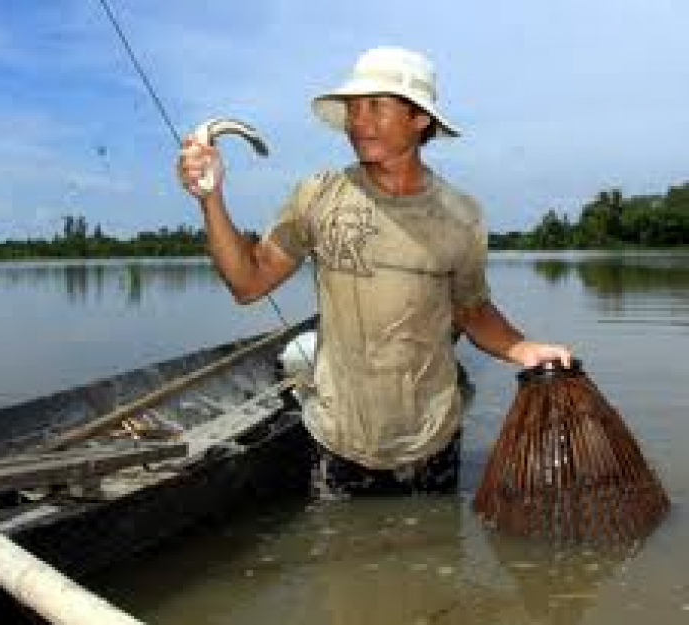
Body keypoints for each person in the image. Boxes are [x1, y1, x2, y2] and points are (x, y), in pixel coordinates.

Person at [176, 46, 572, 497]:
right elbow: (247, 283)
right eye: (352, 108)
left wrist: (522, 348)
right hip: (340, 442)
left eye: (376, 106)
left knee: (434, 558)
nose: (358, 120)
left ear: (419, 118)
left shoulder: (461, 216)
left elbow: (472, 310)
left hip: (433, 441)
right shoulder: (320, 195)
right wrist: (210, 198)